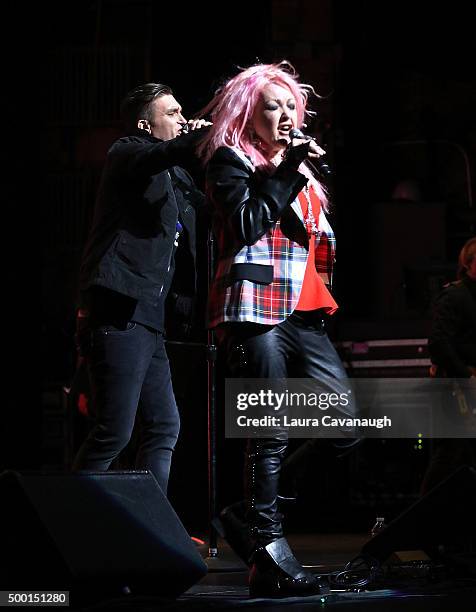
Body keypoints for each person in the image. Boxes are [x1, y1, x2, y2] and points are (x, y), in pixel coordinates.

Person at [197, 61, 358, 598]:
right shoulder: (230, 160)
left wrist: (296, 171)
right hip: (253, 307)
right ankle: (265, 550)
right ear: (249, 112)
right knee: (270, 430)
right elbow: (245, 225)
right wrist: (287, 170)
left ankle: (246, 514)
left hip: (304, 312)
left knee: (346, 421)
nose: (286, 114)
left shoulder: (301, 169)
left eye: (292, 105)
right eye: (273, 105)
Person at [72, 83, 210, 495]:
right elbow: (166, 152)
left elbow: (212, 209)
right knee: (114, 430)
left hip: (151, 316)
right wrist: (196, 137)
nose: (182, 119)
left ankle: (148, 528)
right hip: (118, 308)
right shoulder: (128, 152)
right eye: (172, 112)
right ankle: (66, 523)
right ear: (144, 124)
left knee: (164, 426)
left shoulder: (177, 178)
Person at [421, 236, 476, 494]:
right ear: (468, 264)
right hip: (455, 387)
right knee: (450, 453)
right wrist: (466, 375)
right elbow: (439, 343)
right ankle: (424, 518)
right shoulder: (455, 296)